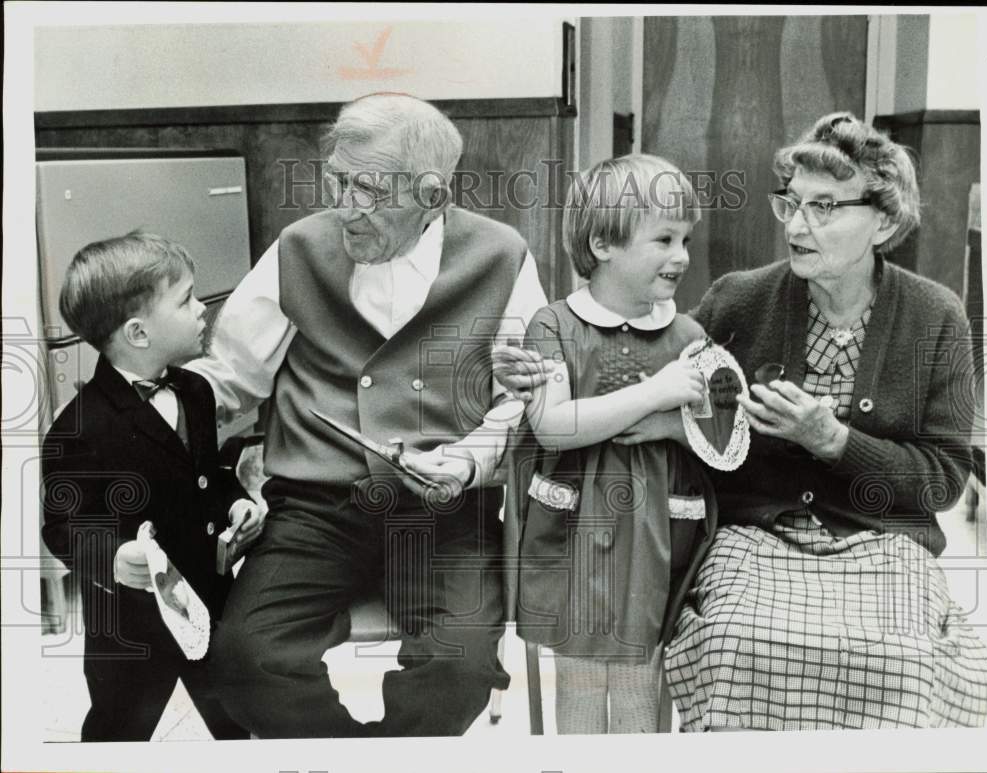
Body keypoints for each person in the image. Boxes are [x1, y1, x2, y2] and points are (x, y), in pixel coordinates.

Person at [499, 112, 987, 730]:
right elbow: (670, 387)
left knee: (905, 657)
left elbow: (944, 480)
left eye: (826, 207)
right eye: (792, 203)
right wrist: (535, 378)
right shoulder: (738, 299)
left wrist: (835, 441)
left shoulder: (935, 317)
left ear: (884, 221)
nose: (798, 224)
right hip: (757, 533)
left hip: (882, 540)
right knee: (733, 643)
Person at [186, 93, 548, 738]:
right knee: (245, 658)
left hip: (445, 514)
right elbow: (233, 376)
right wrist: (150, 408)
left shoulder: (501, 254)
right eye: (339, 182)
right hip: (313, 510)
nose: (347, 207)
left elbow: (520, 398)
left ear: (433, 195)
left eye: (370, 190)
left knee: (460, 665)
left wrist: (466, 461)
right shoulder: (299, 247)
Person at [514, 154, 718, 733]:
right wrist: (656, 392)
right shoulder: (552, 326)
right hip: (575, 536)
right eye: (663, 239)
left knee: (641, 689)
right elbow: (553, 423)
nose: (681, 256)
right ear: (604, 242)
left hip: (656, 536)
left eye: (684, 239)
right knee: (579, 685)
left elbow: (718, 439)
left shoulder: (688, 335)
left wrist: (674, 422)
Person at [41, 232, 264, 741]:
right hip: (130, 626)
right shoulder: (80, 428)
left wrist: (236, 505)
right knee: (117, 732)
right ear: (139, 333)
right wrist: (114, 557)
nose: (204, 308)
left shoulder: (196, 391)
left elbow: (209, 476)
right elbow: (62, 526)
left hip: (210, 600)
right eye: (186, 299)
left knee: (234, 717)